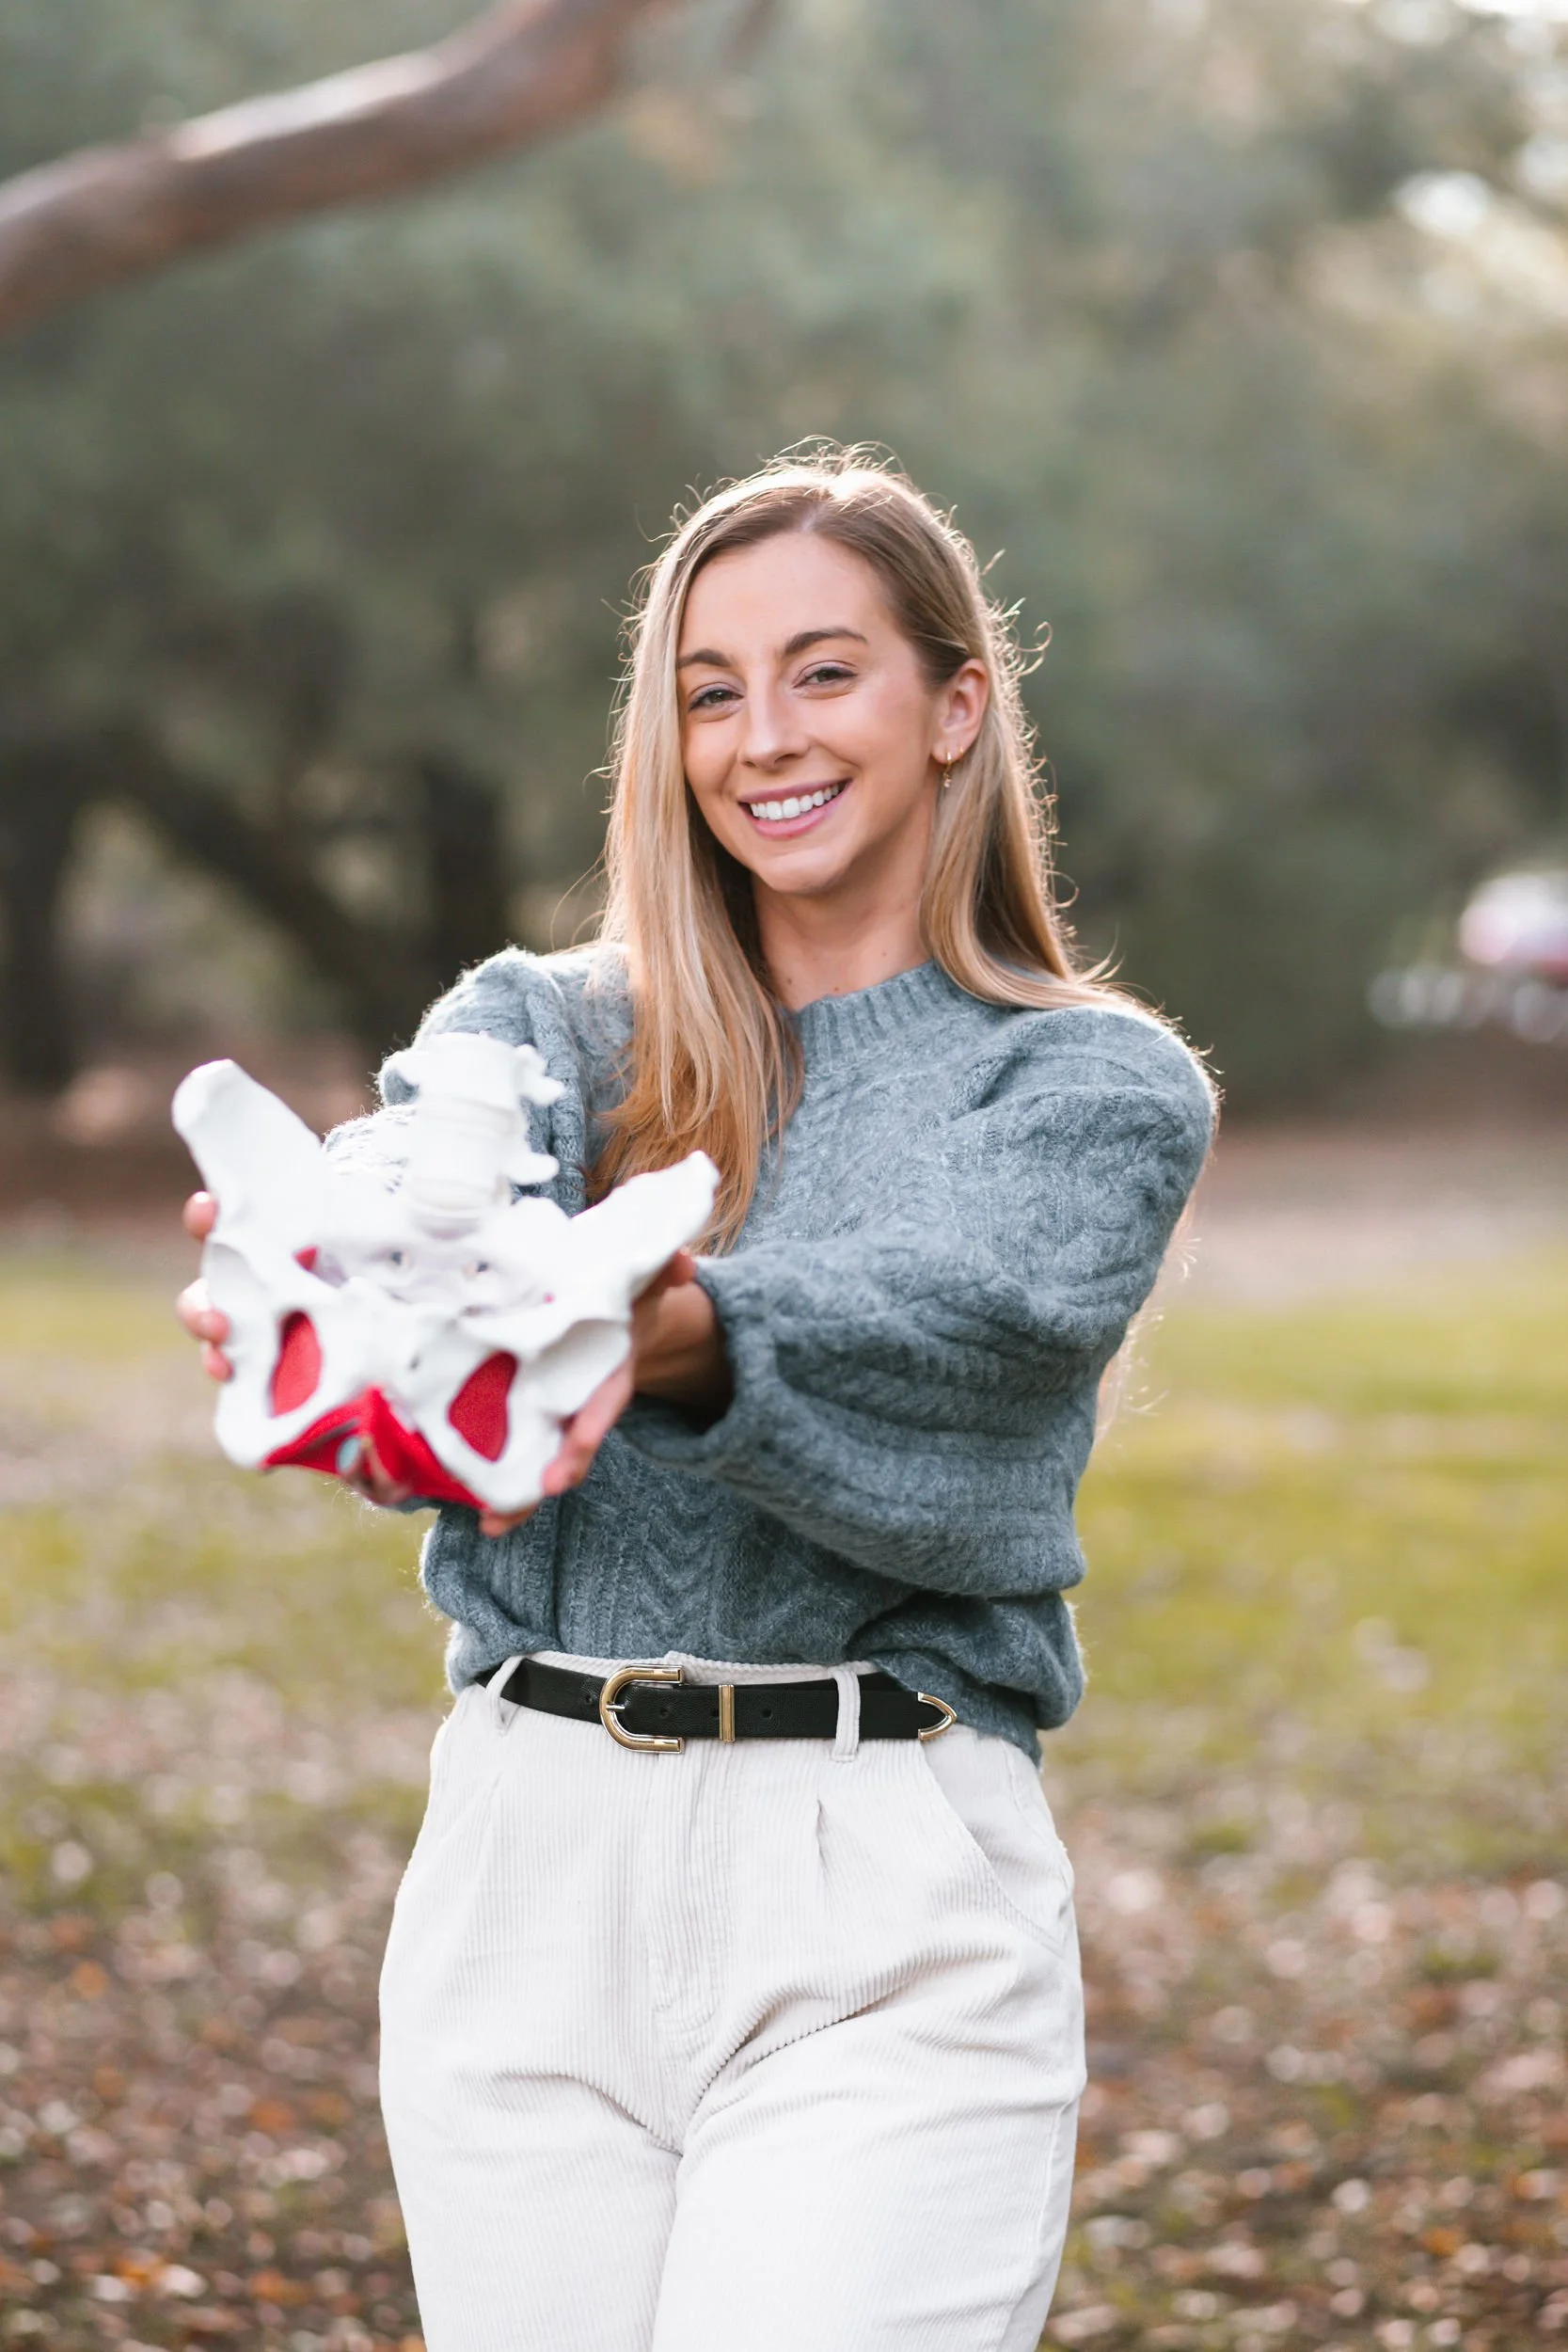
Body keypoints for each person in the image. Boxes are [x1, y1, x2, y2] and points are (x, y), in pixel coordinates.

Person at [179, 450, 1215, 2352]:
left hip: (875, 1879)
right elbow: (449, 1166)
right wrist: (356, 1278)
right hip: (525, 1860)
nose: (762, 736)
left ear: (954, 702)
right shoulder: (550, 1023)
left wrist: (654, 1327)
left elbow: (960, 1329)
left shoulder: (1084, 1087)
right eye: (709, 687)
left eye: (823, 671)